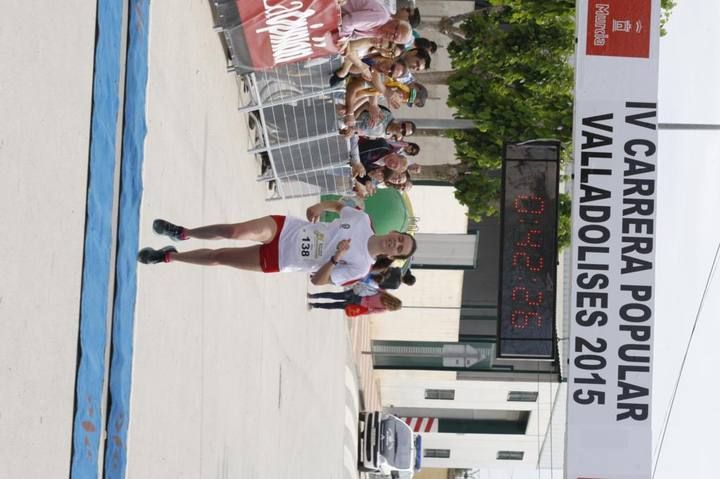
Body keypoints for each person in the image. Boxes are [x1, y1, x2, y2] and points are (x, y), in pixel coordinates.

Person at [137, 200, 417, 287]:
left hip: (285, 259)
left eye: (399, 248)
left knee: (218, 257)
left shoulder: (360, 268)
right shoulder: (362, 219)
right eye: (400, 238)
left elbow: (317, 282)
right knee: (234, 232)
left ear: (392, 256)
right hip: (287, 229)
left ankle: (168, 257)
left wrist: (334, 259)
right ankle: (184, 232)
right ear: (395, 231)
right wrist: (320, 206)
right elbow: (339, 205)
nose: (396, 243)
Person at [308, 289, 402, 316]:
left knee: (334, 295)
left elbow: (373, 288)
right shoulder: (384, 309)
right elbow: (370, 311)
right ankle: (315, 305)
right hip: (358, 305)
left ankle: (313, 296)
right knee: (335, 305)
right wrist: (361, 312)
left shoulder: (384, 293)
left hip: (357, 294)